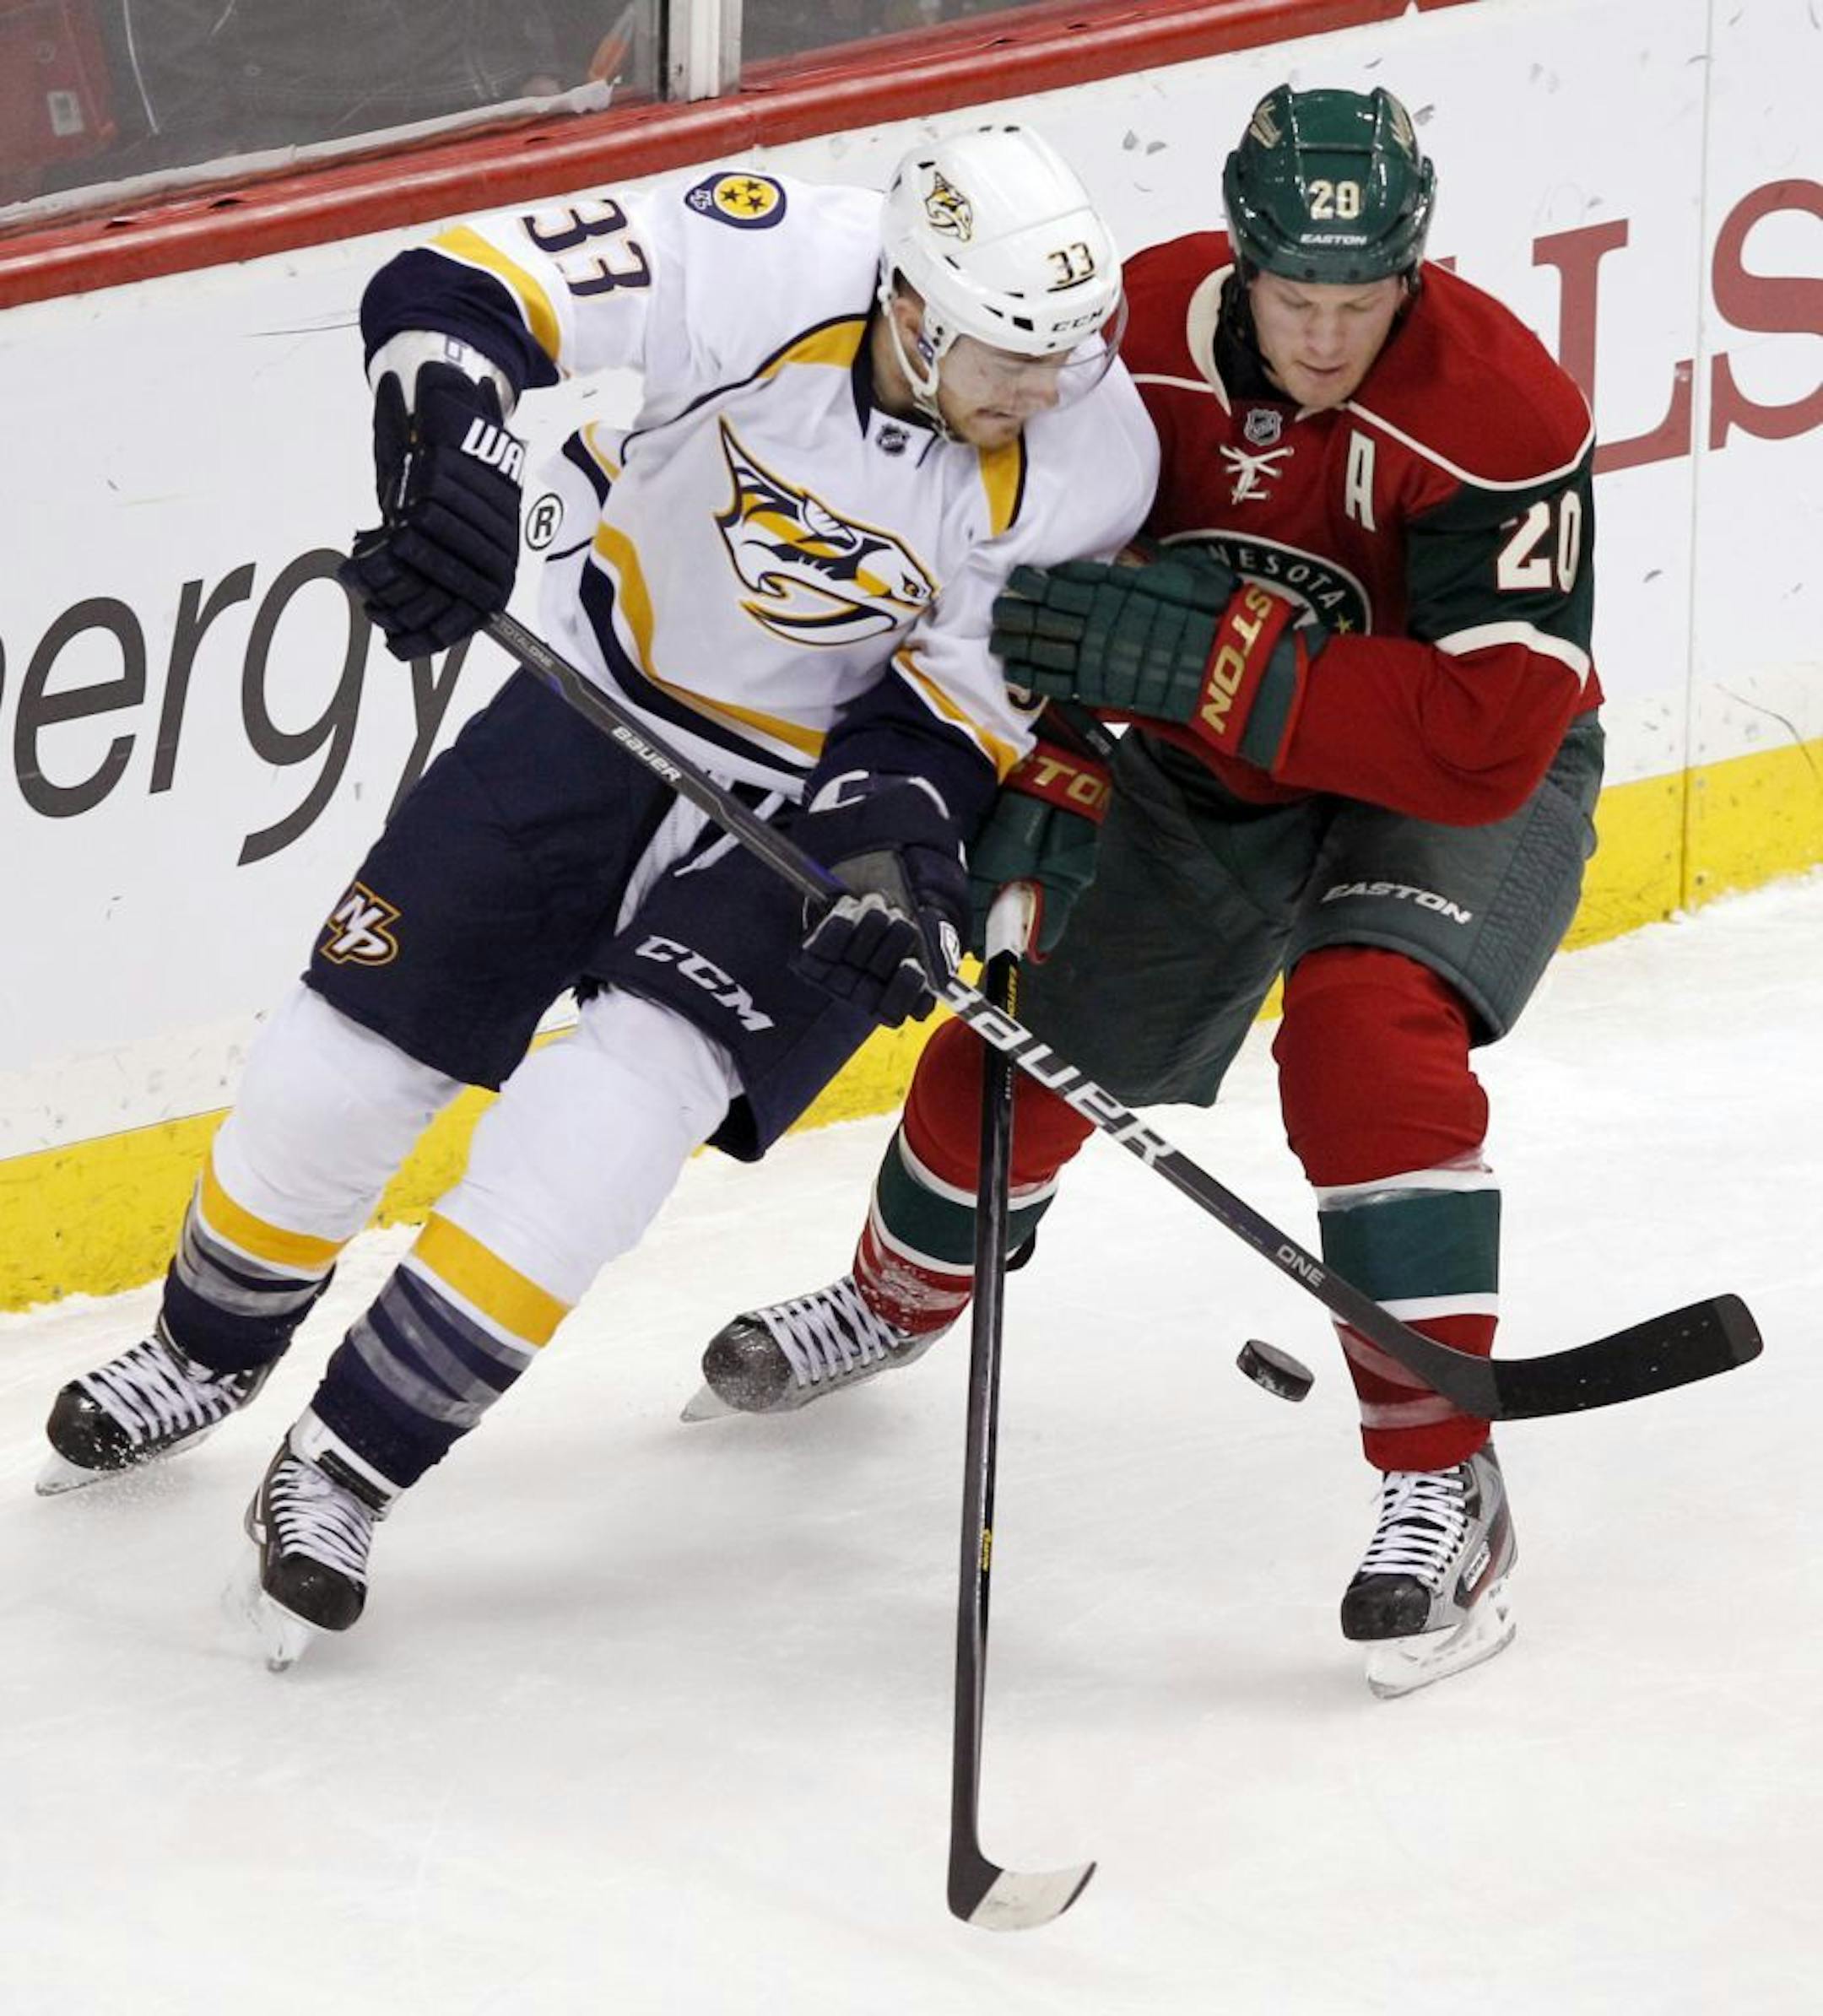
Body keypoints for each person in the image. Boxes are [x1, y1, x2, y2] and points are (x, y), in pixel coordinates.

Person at [37, 124, 1159, 1668]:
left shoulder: (1095, 453)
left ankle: (348, 1466)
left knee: (600, 1135)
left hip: (804, 816)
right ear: (909, 301)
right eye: (1008, 354)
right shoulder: (767, 255)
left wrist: (894, 865)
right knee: (332, 1071)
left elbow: (947, 713)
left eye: (1067, 348)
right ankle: (205, 1346)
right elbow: (456, 283)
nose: (1044, 385)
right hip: (598, 704)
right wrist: (456, 471)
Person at [694, 84, 1604, 1700]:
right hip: (1201, 774)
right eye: (1295, 296)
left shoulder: (1501, 411)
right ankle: (889, 1302)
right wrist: (1047, 765)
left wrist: (1216, 662)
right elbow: (1027, 593)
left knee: (1365, 1038)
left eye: (1364, 301)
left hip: (1456, 788)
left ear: (1418, 268)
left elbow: (1489, 733)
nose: (1326, 338)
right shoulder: (1122, 349)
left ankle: (1438, 1483)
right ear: (1242, 259)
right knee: (1022, 1033)